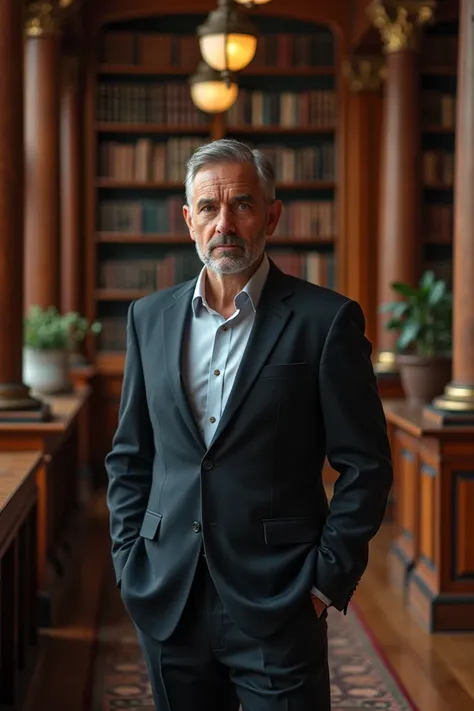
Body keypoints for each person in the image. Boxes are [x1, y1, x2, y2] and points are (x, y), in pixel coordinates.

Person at [105, 138, 393, 711]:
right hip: (168, 594)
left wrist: (323, 583)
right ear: (188, 221)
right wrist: (128, 564)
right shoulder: (148, 318)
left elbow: (366, 466)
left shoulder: (326, 321)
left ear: (271, 215)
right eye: (208, 209)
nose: (224, 224)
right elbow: (130, 456)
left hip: (281, 598)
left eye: (242, 205)